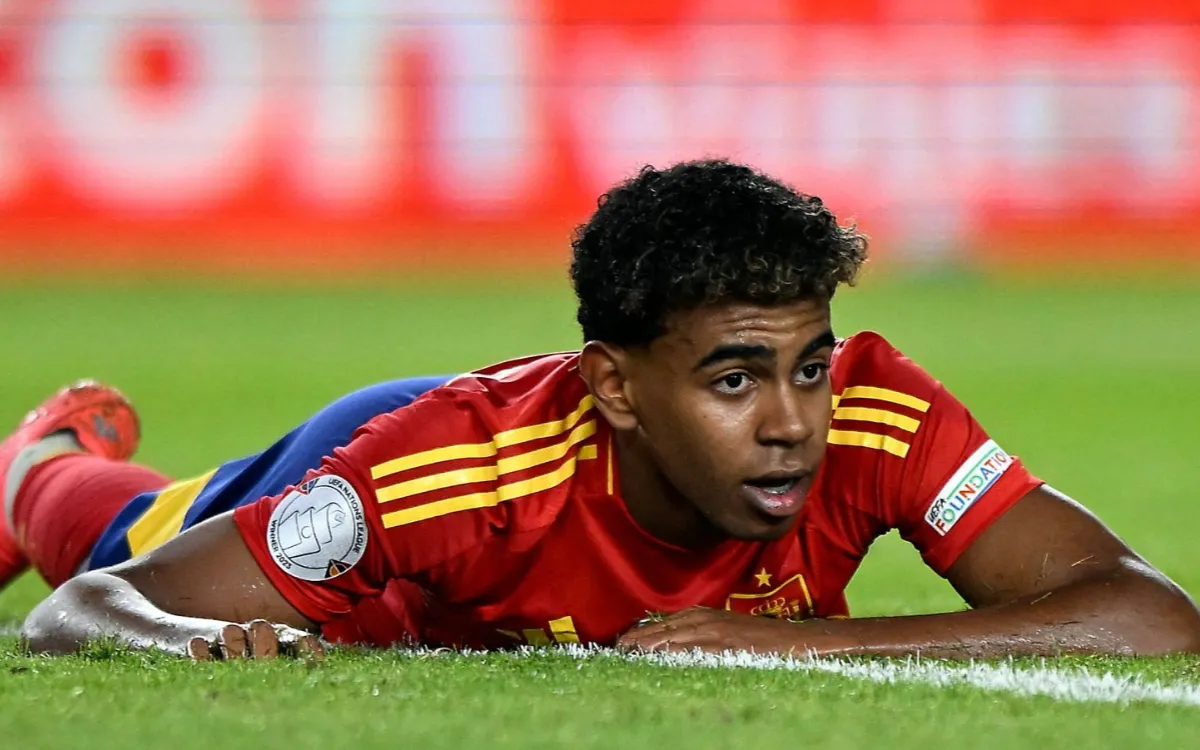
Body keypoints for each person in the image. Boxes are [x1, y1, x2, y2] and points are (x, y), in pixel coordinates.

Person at [8, 159, 1200, 661]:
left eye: (809, 366)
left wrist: (805, 645)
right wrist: (196, 643)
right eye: (734, 380)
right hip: (385, 456)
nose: (792, 422)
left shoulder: (870, 414)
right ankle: (38, 462)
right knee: (132, 534)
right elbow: (87, 611)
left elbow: (1150, 614)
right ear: (618, 387)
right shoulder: (452, 474)